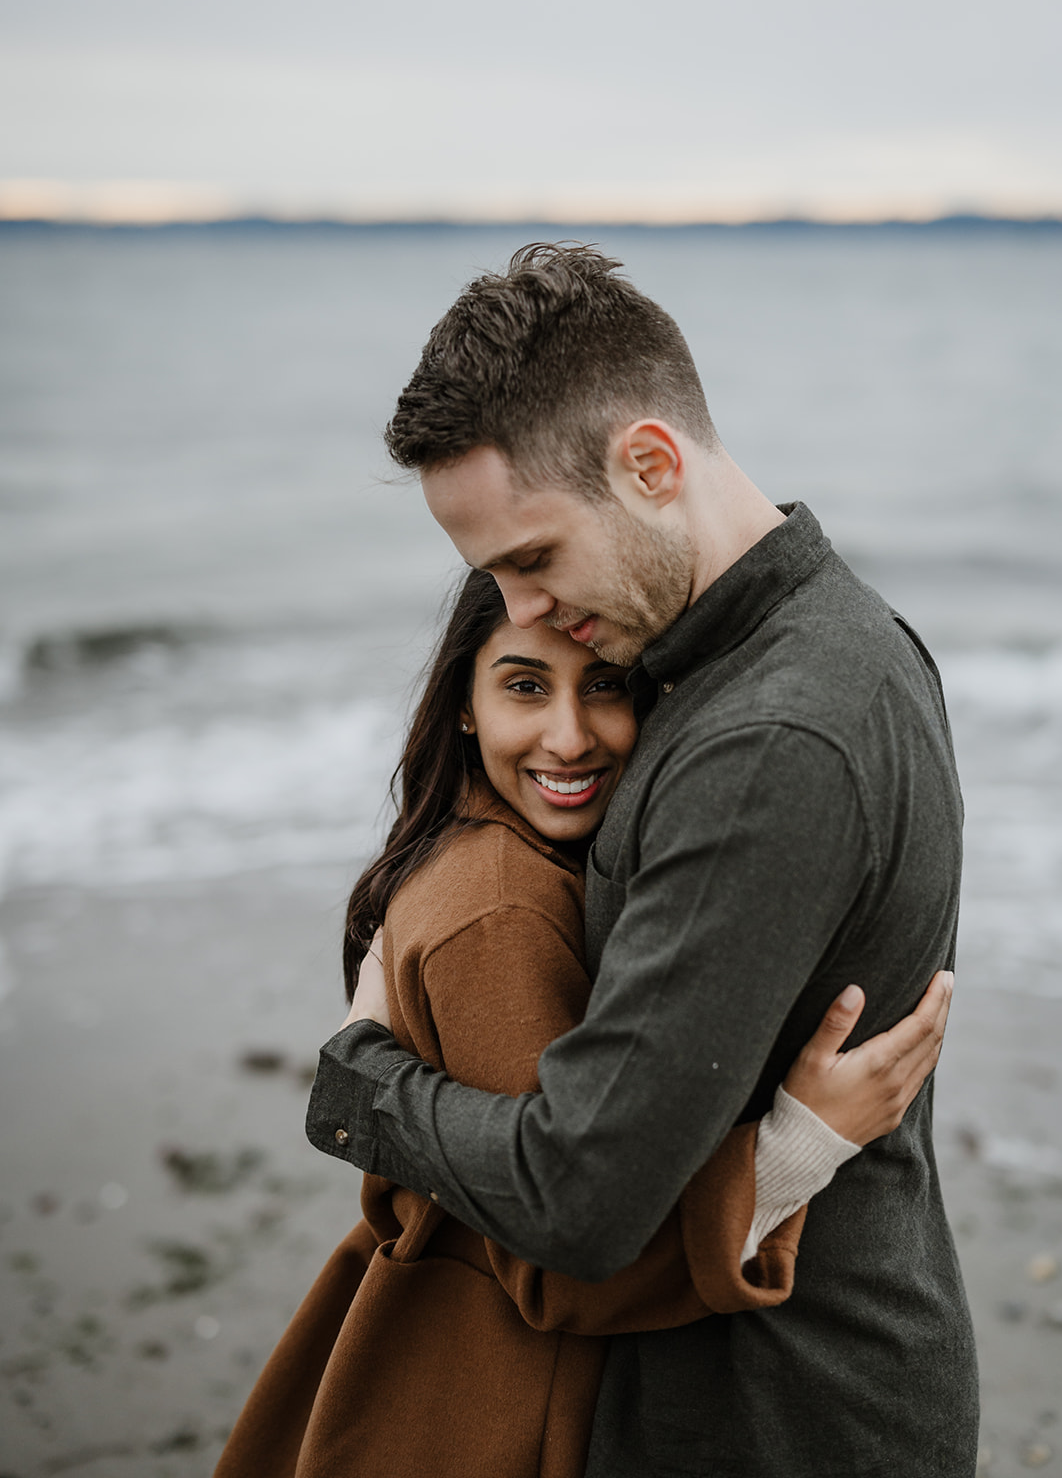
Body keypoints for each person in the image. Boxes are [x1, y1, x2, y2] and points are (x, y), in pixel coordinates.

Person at [306, 243, 980, 1476]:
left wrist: (365, 1089)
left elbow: (580, 1198)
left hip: (773, 1418)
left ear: (652, 464)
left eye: (532, 559)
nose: (515, 611)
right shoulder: (837, 637)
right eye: (491, 579)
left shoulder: (773, 737)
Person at [217, 571, 953, 1478]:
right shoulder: (499, 909)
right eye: (524, 686)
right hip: (480, 1398)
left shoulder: (518, 857)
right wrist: (798, 1147)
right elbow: (562, 1256)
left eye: (604, 684)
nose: (568, 737)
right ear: (462, 706)